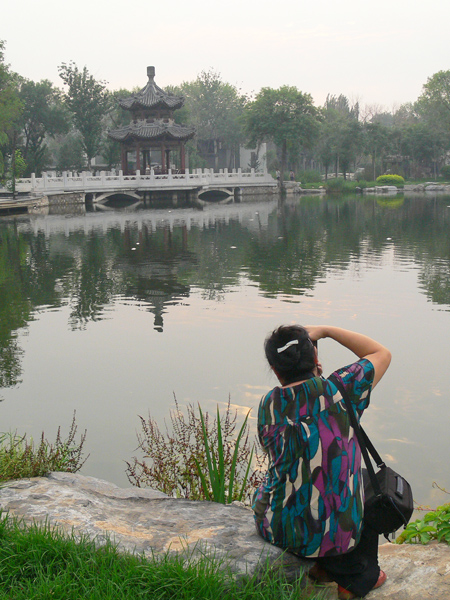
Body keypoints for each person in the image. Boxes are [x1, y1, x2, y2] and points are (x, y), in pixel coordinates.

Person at [252, 325, 391, 599]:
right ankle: (355, 576)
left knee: (298, 483)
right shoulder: (343, 388)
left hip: (281, 531)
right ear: (315, 359)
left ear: (275, 369)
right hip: (339, 537)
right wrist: (326, 331)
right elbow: (381, 353)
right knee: (362, 484)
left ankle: (320, 566)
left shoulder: (269, 405)